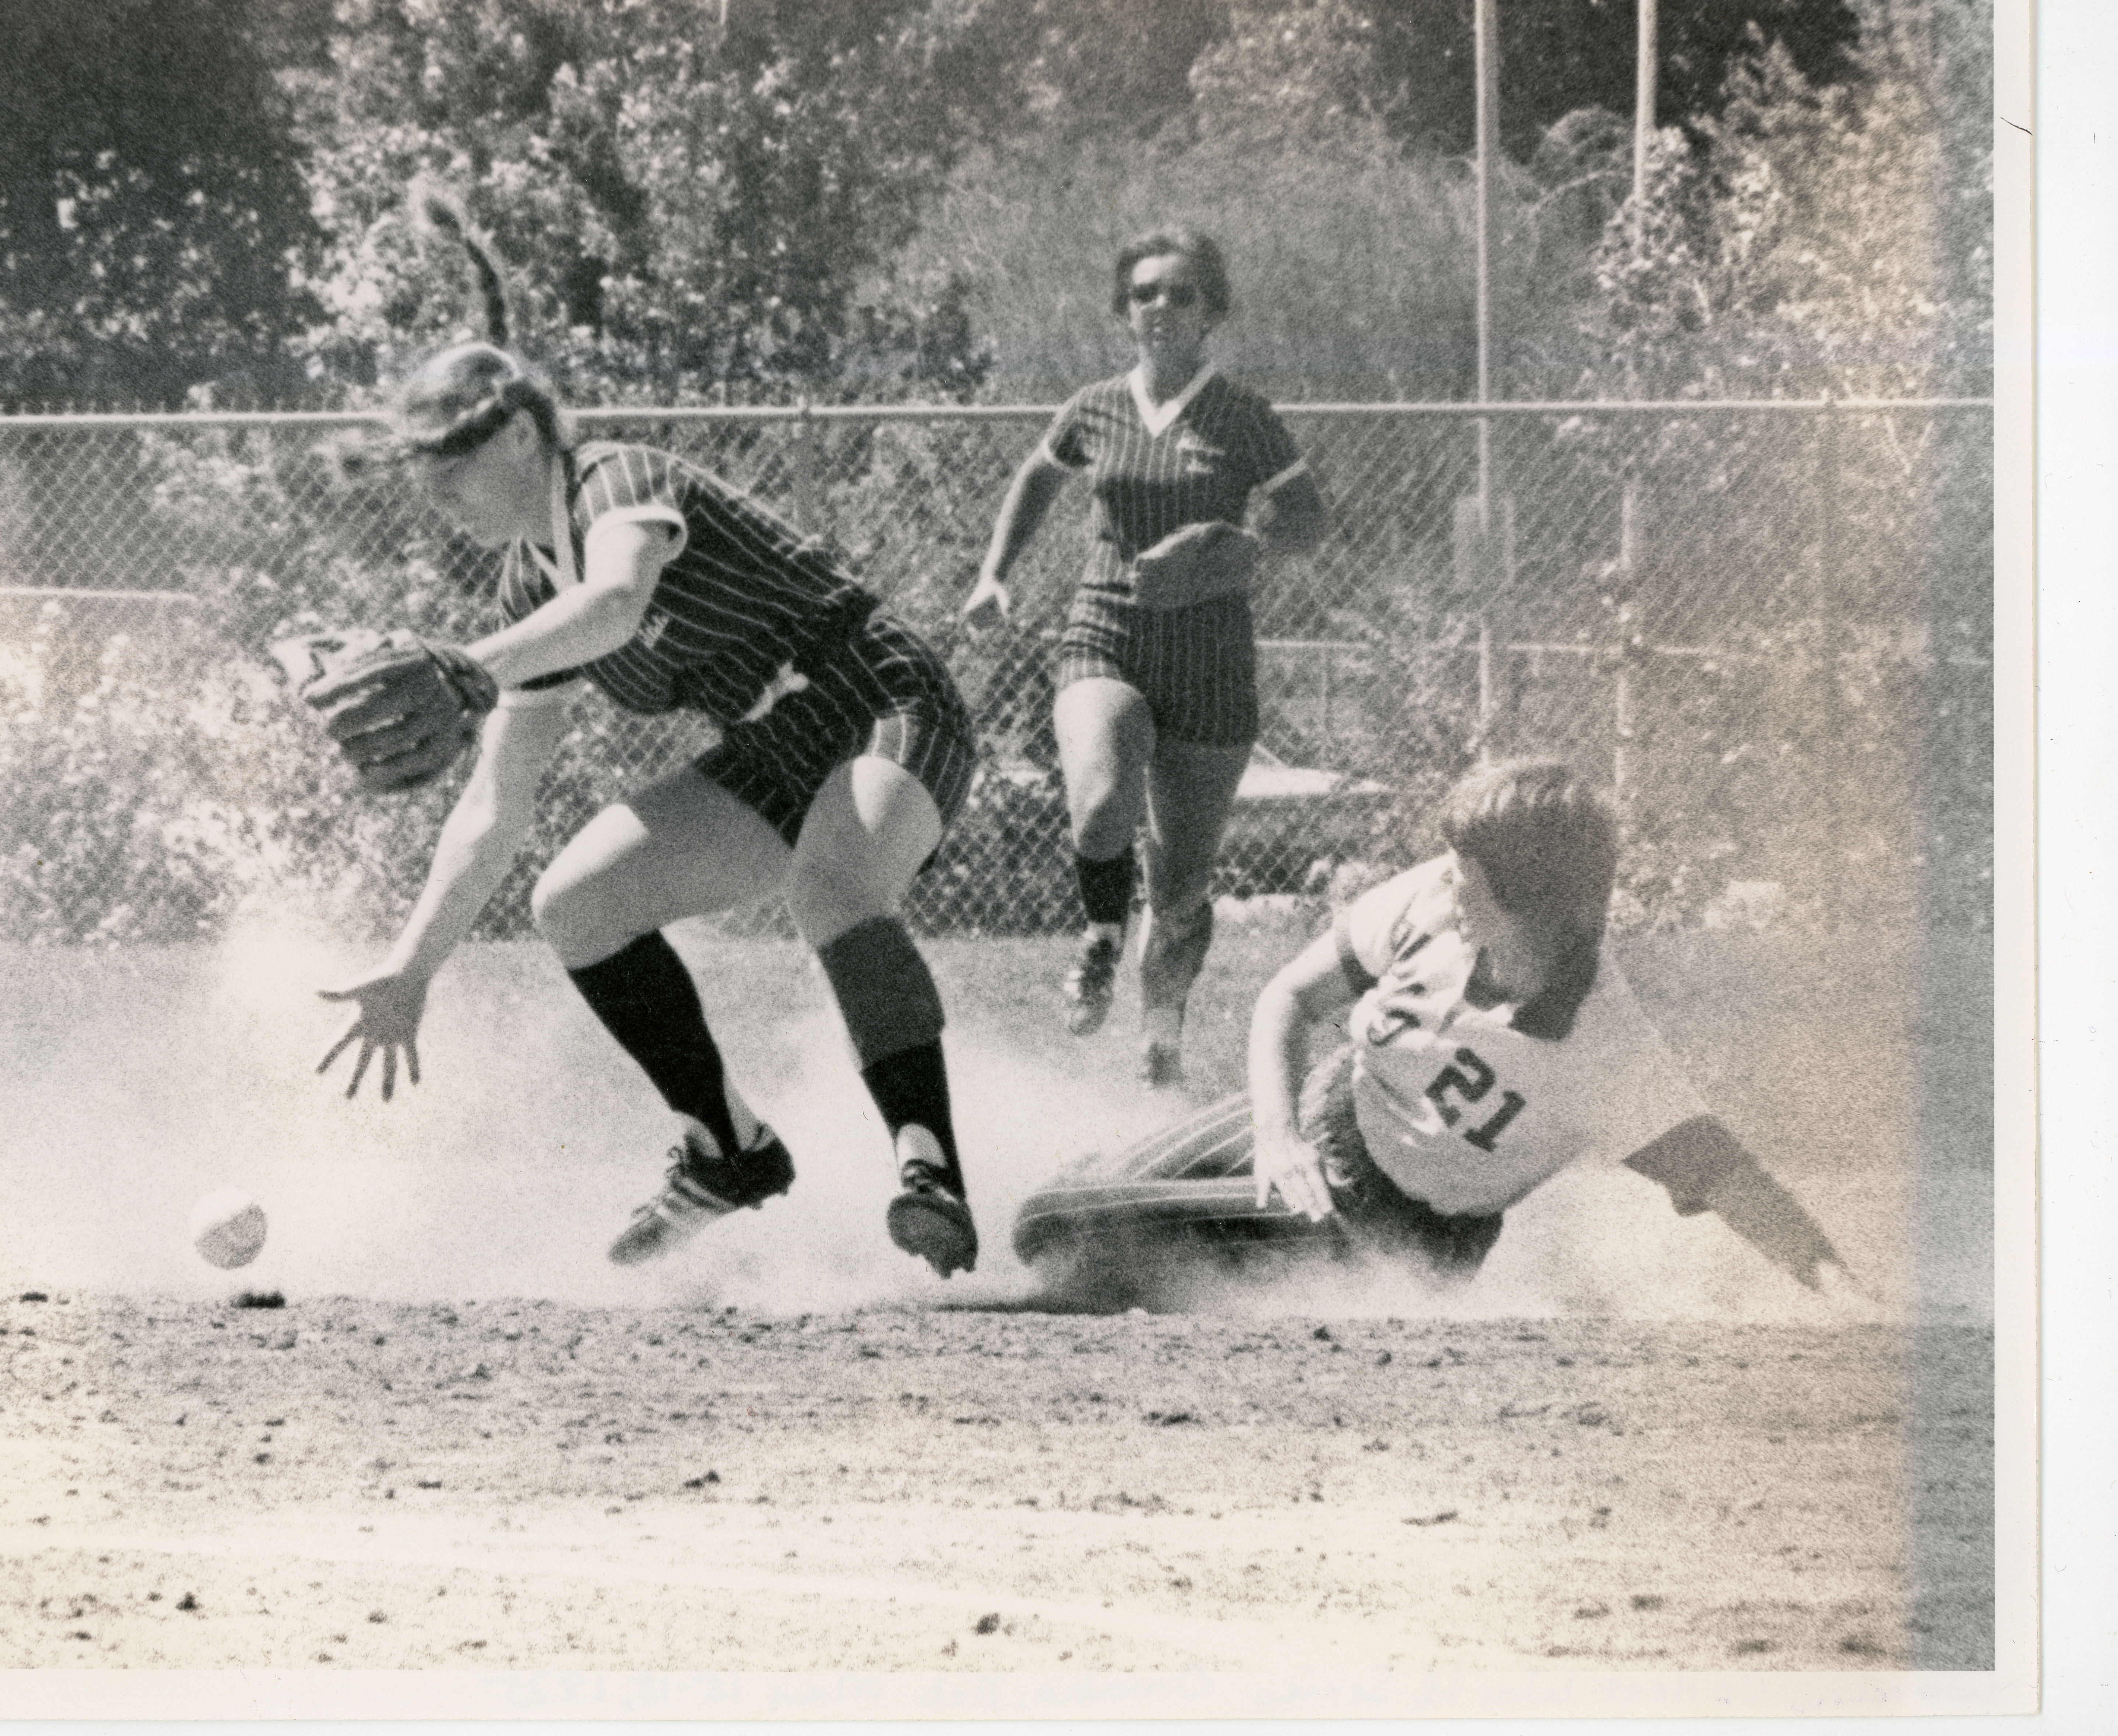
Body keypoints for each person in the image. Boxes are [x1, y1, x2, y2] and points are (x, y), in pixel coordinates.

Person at [314, 201, 982, 1278]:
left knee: (833, 883)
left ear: (524, 435)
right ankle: (729, 1148)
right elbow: (494, 807)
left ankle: (931, 1169)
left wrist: (471, 664)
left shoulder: (613, 480)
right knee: (574, 901)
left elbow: (618, 601)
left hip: (881, 693)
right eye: (422, 479)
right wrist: (410, 969)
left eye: (452, 469)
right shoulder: (531, 582)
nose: (435, 498)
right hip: (776, 748)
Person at [1012, 759, 1877, 1310]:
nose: (1447, 883)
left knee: (1076, 1236)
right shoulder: (1436, 900)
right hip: (1314, 1121)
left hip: (1381, 1236)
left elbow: (1732, 1178)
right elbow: (1287, 999)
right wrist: (1276, 1136)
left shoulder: (1603, 1048)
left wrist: (1849, 1298)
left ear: (1534, 903)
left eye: (1471, 876)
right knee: (1051, 1208)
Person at [960, 227, 1331, 1088]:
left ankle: (1160, 1034)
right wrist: (993, 575)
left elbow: (1310, 521)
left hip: (1210, 659)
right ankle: (1096, 936)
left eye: (1180, 293)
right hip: (1107, 628)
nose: (1160, 307)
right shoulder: (1093, 406)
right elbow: (1037, 478)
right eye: (1144, 293)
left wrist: (1236, 543)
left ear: (1212, 312)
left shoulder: (1241, 414)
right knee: (1098, 805)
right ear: (1123, 309)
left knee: (1180, 888)